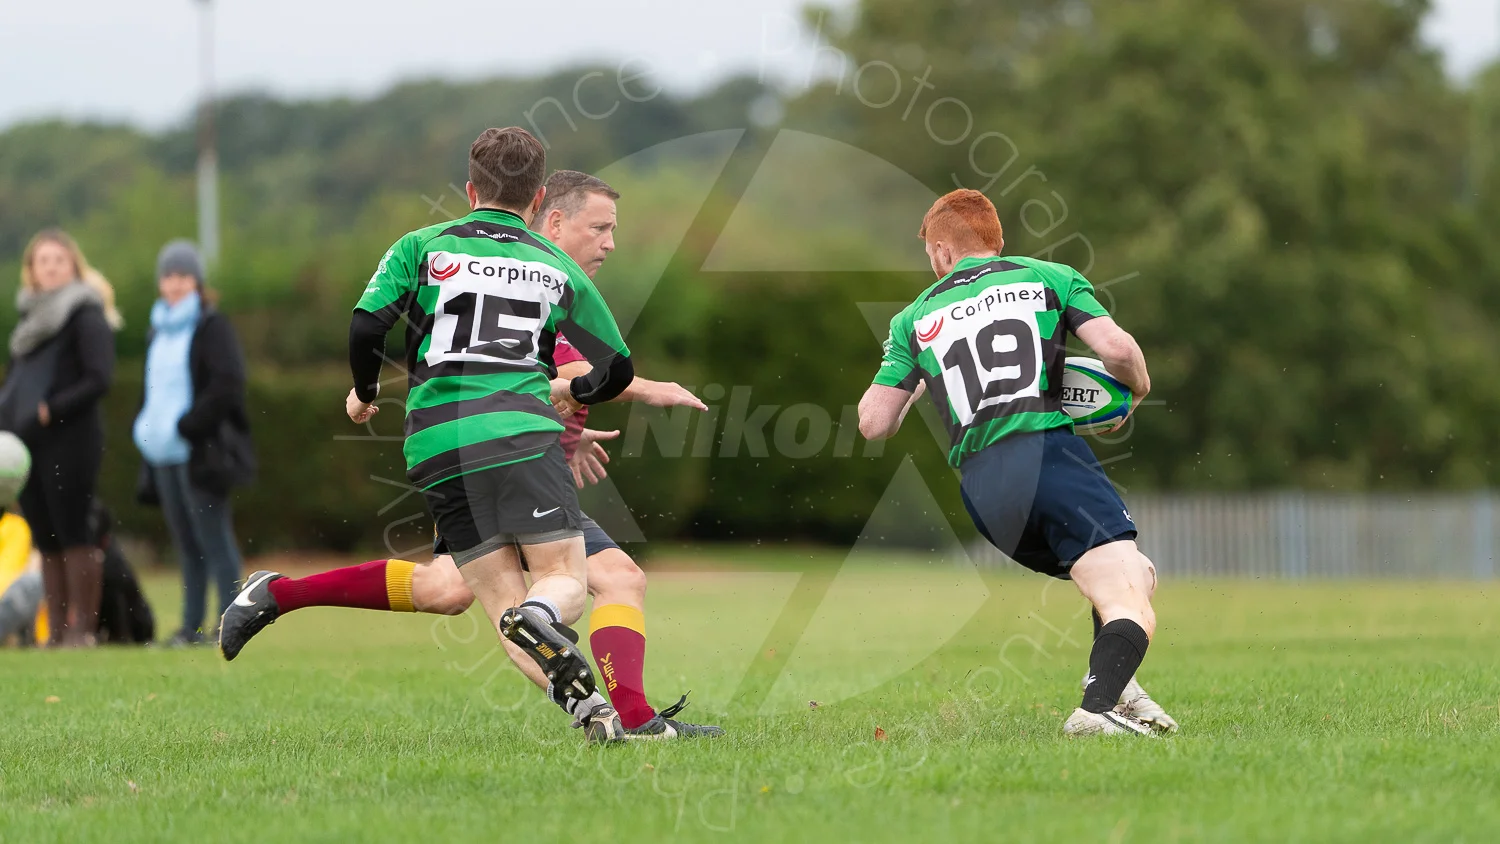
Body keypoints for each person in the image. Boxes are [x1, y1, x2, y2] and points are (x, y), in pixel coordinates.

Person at [219, 170, 721, 741]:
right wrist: (646, 389)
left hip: (475, 452)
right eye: (600, 227)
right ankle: (631, 719)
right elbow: (570, 374)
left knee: (450, 591)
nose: (610, 243)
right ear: (553, 218)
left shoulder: (496, 266)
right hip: (505, 456)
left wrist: (566, 429)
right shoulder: (539, 277)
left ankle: (279, 593)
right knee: (592, 585)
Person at [858, 189, 1178, 737]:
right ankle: (1095, 711)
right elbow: (1119, 352)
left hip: (984, 491)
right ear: (996, 240)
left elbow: (874, 422)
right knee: (1127, 586)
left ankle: (1119, 689)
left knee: (1126, 574)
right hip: (1047, 458)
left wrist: (923, 371)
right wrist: (1137, 393)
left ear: (941, 250)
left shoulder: (913, 318)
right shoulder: (1050, 277)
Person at [0, 229, 119, 647]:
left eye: (58, 260)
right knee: (45, 535)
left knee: (74, 531)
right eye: (43, 261)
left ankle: (82, 631)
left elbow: (99, 377)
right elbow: (16, 384)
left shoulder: (86, 313)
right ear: (31, 270)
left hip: (72, 440)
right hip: (29, 443)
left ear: (74, 267)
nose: (50, 268)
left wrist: (53, 408)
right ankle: (56, 634)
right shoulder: (28, 322)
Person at [133, 240, 253, 646]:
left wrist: (189, 425)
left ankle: (231, 624)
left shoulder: (211, 326)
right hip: (163, 453)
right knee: (186, 545)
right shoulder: (156, 330)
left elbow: (228, 383)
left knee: (215, 540)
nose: (175, 283)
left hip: (201, 451)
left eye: (183, 275)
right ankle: (190, 627)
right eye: (168, 275)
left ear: (197, 281)